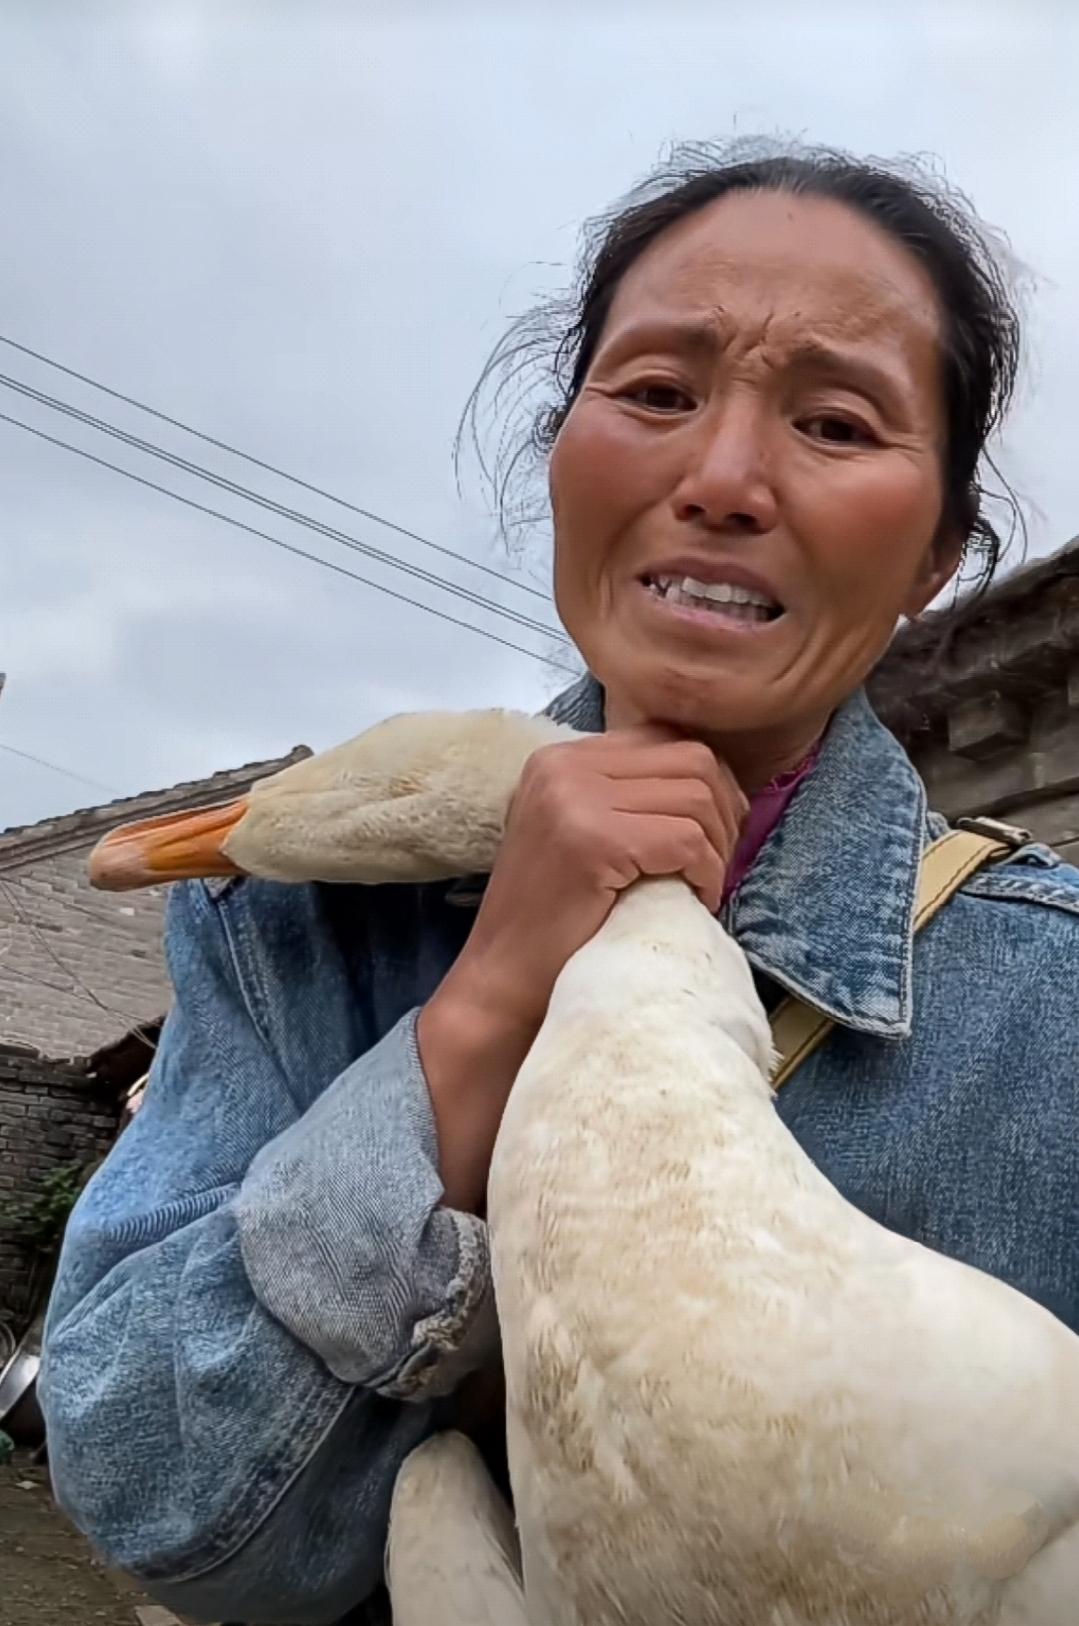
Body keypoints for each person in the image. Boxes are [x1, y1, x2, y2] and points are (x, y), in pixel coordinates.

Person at [39, 141, 1079, 1626]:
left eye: (836, 423)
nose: (720, 480)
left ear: (936, 556)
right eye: (655, 393)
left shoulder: (1053, 1018)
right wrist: (486, 1004)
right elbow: (162, 1507)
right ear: (561, 451)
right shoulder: (293, 934)